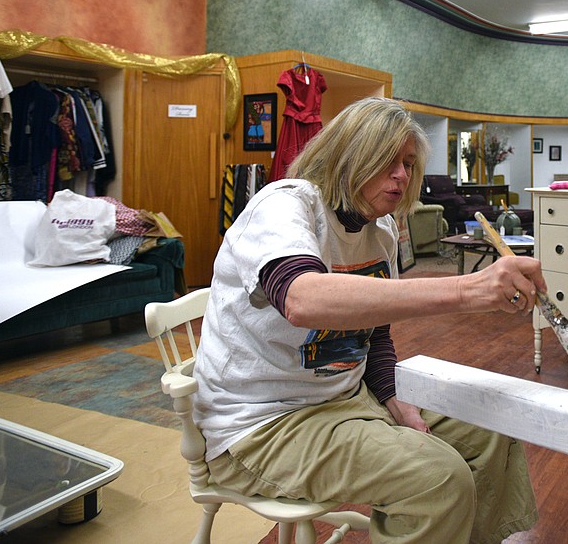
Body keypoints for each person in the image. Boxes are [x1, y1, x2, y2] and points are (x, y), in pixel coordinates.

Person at [194, 97, 543, 544]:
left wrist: (393, 396)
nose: (402, 175)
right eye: (388, 161)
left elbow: (374, 334)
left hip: (346, 399)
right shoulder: (284, 206)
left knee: (488, 428)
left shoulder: (380, 230)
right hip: (261, 426)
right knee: (438, 478)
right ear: (349, 155)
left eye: (408, 164)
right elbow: (302, 298)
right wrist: (466, 290)